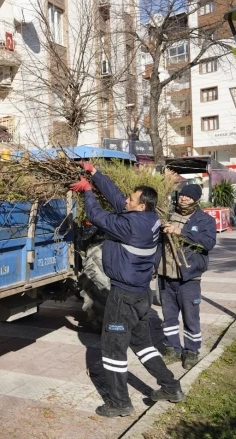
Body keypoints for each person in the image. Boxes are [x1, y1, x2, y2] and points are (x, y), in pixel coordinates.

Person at [69, 163, 185, 417]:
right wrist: (96, 174)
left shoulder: (129, 226)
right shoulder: (150, 218)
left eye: (131, 199)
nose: (126, 200)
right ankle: (171, 386)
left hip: (124, 297)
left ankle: (119, 403)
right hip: (141, 294)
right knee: (143, 345)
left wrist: (88, 191)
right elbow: (117, 200)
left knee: (112, 348)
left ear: (141, 205)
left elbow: (98, 216)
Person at [158, 183, 216, 370]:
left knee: (191, 316)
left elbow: (208, 243)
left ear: (197, 200)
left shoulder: (204, 220)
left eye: (188, 197)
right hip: (165, 275)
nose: (183, 198)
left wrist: (181, 232)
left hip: (188, 277)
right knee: (169, 316)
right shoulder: (166, 216)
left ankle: (191, 351)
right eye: (182, 195)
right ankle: (172, 348)